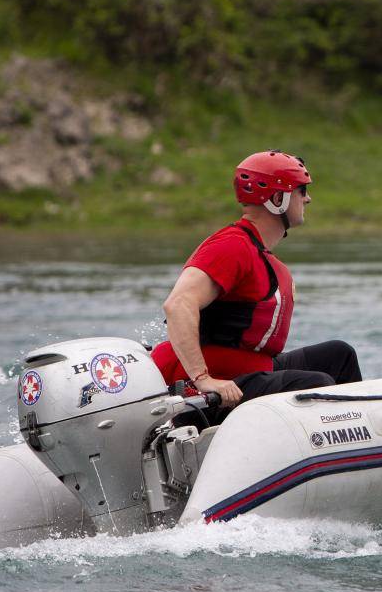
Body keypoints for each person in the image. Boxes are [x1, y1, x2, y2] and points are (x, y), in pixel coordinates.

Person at [150, 150, 362, 414]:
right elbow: (178, 304)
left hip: (248, 370)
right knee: (315, 385)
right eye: (301, 189)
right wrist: (203, 379)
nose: (308, 198)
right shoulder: (231, 246)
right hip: (205, 390)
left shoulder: (256, 251)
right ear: (277, 198)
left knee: (338, 356)